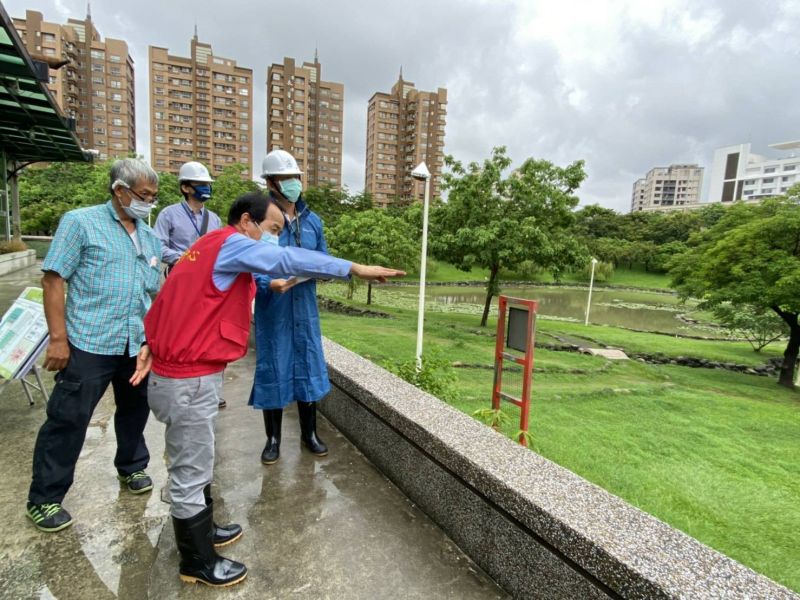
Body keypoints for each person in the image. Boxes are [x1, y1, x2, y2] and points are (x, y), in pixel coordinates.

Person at [144, 192, 404, 587]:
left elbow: (171, 299)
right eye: (273, 229)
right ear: (247, 222)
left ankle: (204, 530)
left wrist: (152, 343)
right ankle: (196, 562)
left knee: (199, 459)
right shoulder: (230, 244)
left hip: (183, 372)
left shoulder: (206, 244)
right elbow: (287, 260)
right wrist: (354, 268)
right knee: (190, 467)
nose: (276, 240)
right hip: (187, 378)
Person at [26, 158, 161, 533]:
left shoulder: (150, 237)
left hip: (135, 345)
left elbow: (152, 293)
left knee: (135, 411)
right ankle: (45, 498)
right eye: (143, 195)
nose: (148, 202)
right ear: (120, 191)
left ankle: (132, 468)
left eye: (153, 197)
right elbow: (54, 280)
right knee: (69, 418)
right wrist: (58, 339)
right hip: (89, 340)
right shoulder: (80, 222)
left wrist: (152, 340)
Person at [249, 150, 331, 465]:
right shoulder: (260, 221)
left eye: (296, 177)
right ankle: (273, 439)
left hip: (305, 307)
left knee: (308, 366)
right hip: (275, 306)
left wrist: (320, 269)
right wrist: (268, 283)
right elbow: (251, 262)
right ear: (271, 182)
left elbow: (324, 258)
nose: (294, 184)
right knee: (274, 367)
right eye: (286, 179)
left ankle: (309, 433)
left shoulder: (314, 222)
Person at [153, 161, 228, 409]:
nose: (205, 188)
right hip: (180, 281)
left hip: (207, 284)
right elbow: (158, 245)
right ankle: (180, 383)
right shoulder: (169, 214)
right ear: (186, 187)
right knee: (181, 330)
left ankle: (212, 389)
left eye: (207, 184)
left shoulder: (214, 219)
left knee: (208, 332)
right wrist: (184, 258)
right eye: (200, 184)